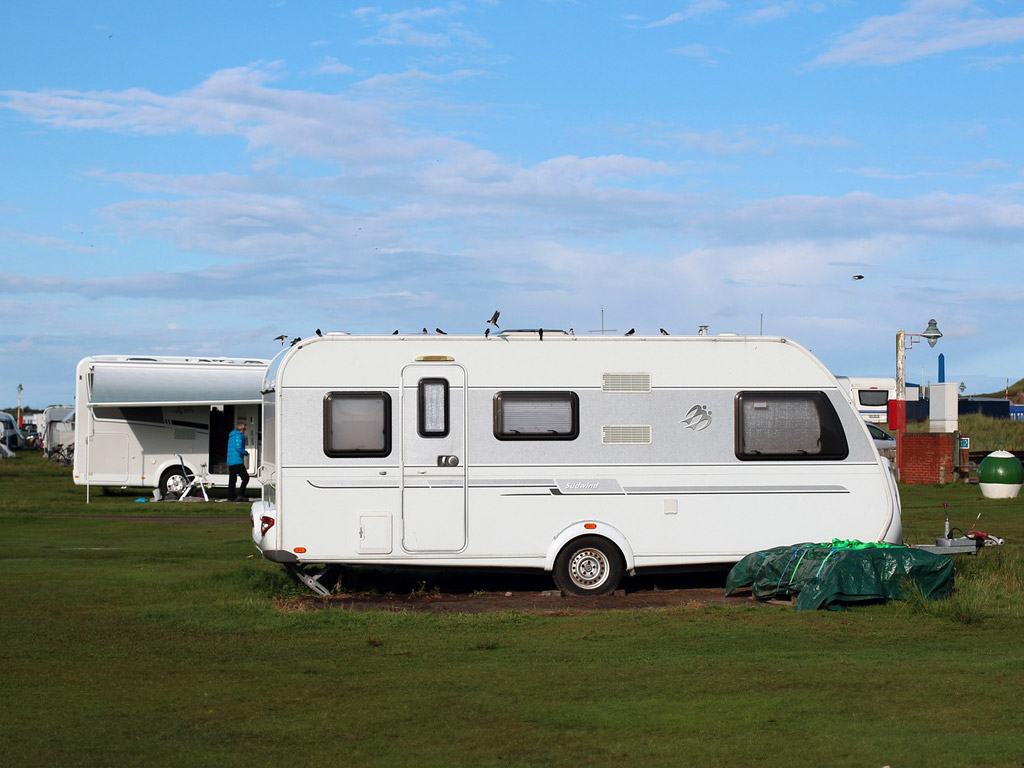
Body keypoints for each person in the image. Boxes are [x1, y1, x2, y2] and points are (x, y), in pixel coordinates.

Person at [226, 422, 249, 502]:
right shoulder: (239, 436)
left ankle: (230, 497)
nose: (245, 431)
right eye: (244, 429)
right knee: (246, 478)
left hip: (230, 461)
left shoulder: (231, 436)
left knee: (232, 480)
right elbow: (238, 448)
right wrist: (245, 452)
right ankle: (241, 495)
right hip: (237, 460)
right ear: (242, 429)